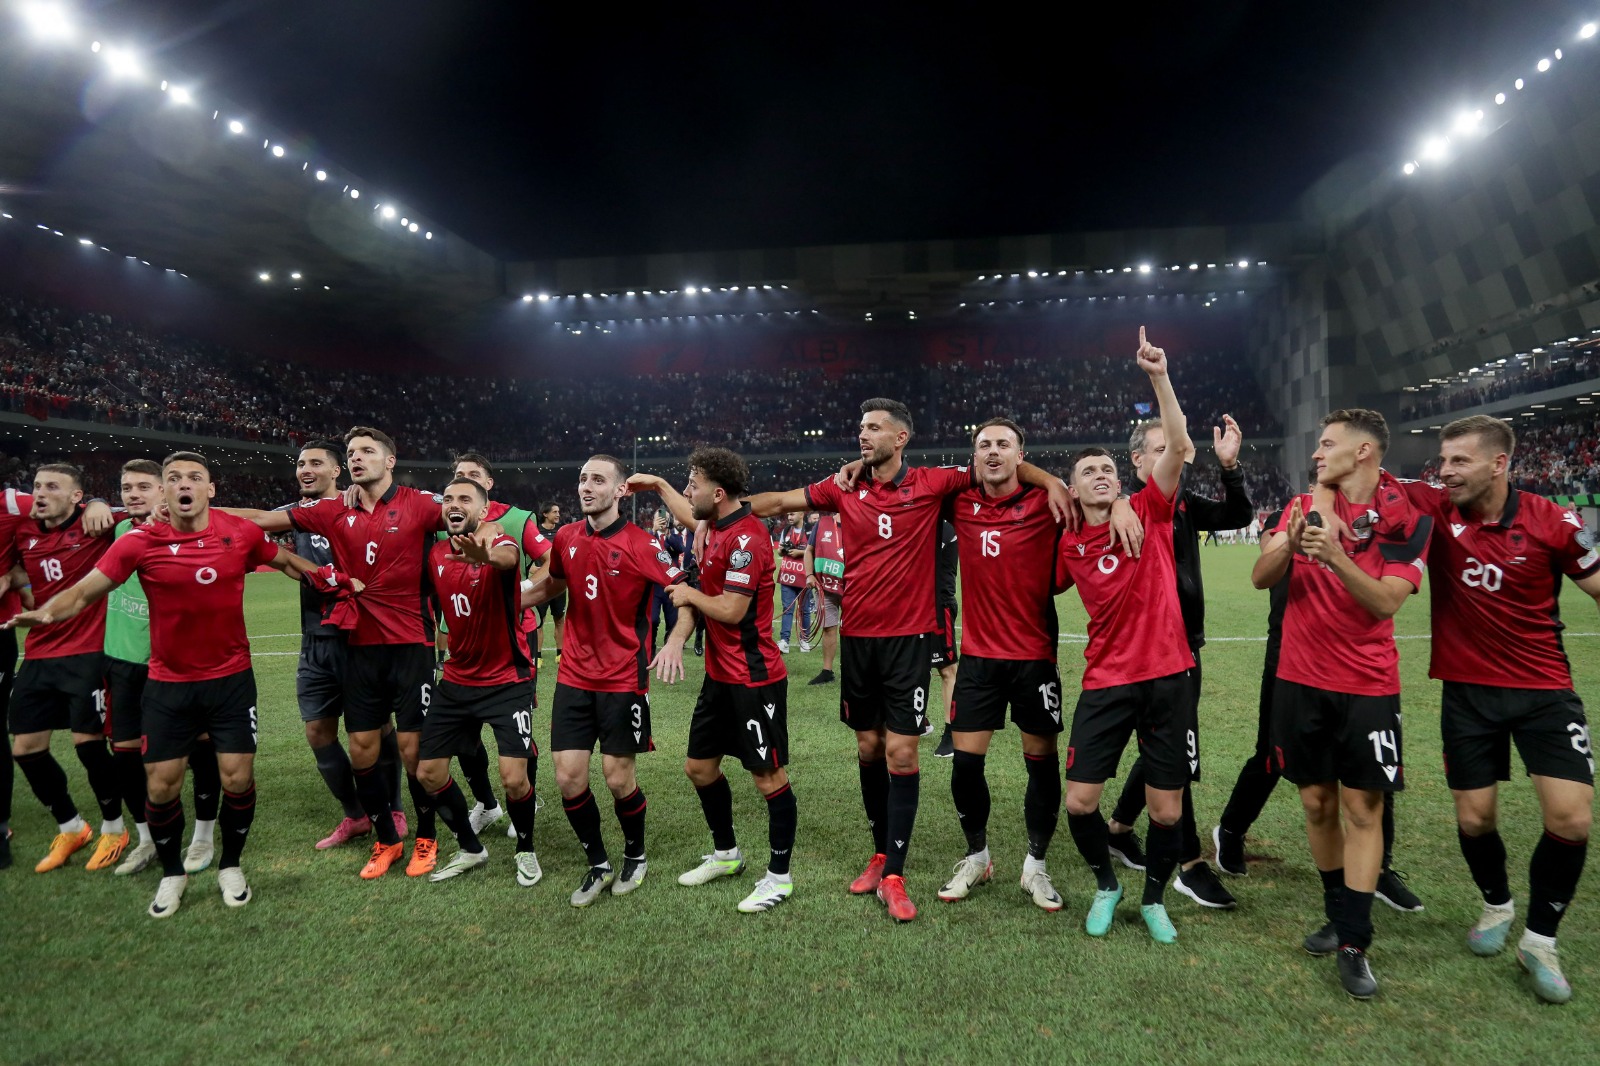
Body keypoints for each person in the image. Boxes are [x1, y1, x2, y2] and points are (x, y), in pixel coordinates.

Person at [749, 397, 1072, 922]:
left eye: (873, 428)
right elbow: (782, 502)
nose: (862, 435)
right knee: (869, 747)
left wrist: (1054, 482)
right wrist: (728, 515)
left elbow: (1003, 465)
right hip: (857, 637)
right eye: (861, 427)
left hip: (911, 640)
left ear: (900, 438)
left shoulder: (934, 483)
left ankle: (896, 872)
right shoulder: (842, 486)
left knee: (902, 751)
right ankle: (881, 853)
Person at [6, 451, 336, 917]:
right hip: (167, 684)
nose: (185, 484)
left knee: (237, 777)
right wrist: (45, 612)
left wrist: (332, 580)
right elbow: (85, 590)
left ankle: (230, 864)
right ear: (165, 490)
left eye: (194, 477)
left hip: (232, 681)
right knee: (161, 786)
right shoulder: (138, 542)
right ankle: (171, 874)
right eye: (174, 477)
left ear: (209, 489)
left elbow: (284, 559)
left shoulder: (237, 532)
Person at [1400, 415, 1599, 1004]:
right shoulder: (1435, 509)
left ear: (1499, 463)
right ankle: (1496, 905)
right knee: (1474, 819)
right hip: (1466, 692)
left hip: (1544, 689)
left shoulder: (1556, 521)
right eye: (1443, 459)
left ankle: (1540, 939)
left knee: (1571, 818)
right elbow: (1365, 473)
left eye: (1459, 460)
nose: (1446, 470)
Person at [1252, 408, 1431, 1000]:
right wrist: (1296, 539)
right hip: (1299, 678)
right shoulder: (1302, 506)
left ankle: (1355, 942)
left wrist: (1332, 554)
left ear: (1363, 453)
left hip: (1368, 685)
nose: (1316, 454)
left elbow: (1384, 603)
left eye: (1327, 445)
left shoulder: (1408, 518)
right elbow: (1261, 575)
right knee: (1316, 801)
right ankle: (1337, 913)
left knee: (1363, 809)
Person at [229, 427, 444, 880]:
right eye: (352, 452)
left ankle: (425, 835)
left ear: (390, 460)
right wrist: (194, 511)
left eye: (367, 451)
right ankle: (385, 838)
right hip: (355, 646)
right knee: (360, 745)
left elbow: (470, 512)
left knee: (412, 750)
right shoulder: (330, 510)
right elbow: (258, 520)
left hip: (410, 645)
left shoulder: (419, 503)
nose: (357, 457)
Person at [1056, 327, 1194, 945]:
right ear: (1072, 488)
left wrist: (1158, 377)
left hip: (1168, 676)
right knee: (1081, 802)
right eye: (1089, 472)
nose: (1102, 475)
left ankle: (1154, 898)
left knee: (1167, 811)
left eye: (1109, 468)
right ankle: (1106, 885)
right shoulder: (1065, 544)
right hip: (1106, 681)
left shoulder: (1149, 511)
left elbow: (1181, 444)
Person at [631, 448, 799, 912]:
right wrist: (661, 487)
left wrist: (686, 592)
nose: (688, 492)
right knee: (699, 768)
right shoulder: (715, 525)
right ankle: (727, 855)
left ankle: (779, 878)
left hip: (754, 679)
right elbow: (691, 517)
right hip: (720, 677)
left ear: (719, 494)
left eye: (694, 484)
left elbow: (730, 609)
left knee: (768, 777)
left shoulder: (747, 539)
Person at [523, 455, 694, 907]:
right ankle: (597, 862)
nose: (586, 487)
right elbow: (553, 584)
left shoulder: (642, 544)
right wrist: (513, 601)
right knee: (568, 777)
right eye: (582, 478)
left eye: (598, 480)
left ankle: (634, 855)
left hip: (623, 679)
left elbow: (684, 594)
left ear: (621, 490)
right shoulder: (566, 537)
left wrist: (675, 640)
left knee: (618, 779)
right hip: (575, 676)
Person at [1101, 413, 1252, 912]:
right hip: (1141, 653)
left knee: (1161, 748)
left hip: (1185, 646)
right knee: (1175, 757)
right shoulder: (1119, 506)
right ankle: (1188, 866)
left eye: (1179, 447)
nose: (1178, 453)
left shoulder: (1183, 502)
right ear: (1138, 459)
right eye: (1163, 446)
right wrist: (1120, 499)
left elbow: (1238, 516)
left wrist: (1230, 468)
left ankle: (1120, 829)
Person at [935, 418, 1069, 912]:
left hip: (1034, 657)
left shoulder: (1047, 503)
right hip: (980, 660)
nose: (993, 453)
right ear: (974, 455)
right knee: (966, 765)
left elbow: (1089, 501)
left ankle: (1035, 864)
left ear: (1020, 453)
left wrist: (1053, 481)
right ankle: (978, 856)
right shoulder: (959, 503)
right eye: (984, 445)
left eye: (1003, 445)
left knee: (1042, 763)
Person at [414, 478, 542, 886]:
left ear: (483, 511)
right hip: (456, 680)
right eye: (448, 498)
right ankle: (471, 848)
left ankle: (525, 848)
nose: (454, 504)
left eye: (464, 499)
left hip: (507, 680)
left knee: (514, 779)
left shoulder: (501, 544)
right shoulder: (435, 553)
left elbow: (507, 559)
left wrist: (484, 557)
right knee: (428, 773)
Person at [103, 459, 224, 877]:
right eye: (125, 488)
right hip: (123, 663)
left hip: (179, 668)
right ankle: (146, 840)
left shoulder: (194, 536)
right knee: (127, 757)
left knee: (201, 753)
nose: (133, 495)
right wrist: (93, 504)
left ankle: (204, 836)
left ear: (164, 493)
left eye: (143, 487)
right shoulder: (118, 532)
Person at [6, 464, 125, 874]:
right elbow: (16, 575)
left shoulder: (98, 524)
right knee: (25, 748)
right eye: (37, 486)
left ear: (75, 496)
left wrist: (99, 503)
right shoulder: (23, 531)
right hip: (39, 653)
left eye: (52, 487)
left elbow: (145, 511)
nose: (40, 493)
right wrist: (21, 589)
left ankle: (114, 827)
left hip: (89, 651)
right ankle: (72, 826)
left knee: (87, 743)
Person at [276, 442, 389, 851]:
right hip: (316, 637)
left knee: (379, 726)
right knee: (317, 730)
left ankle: (392, 808)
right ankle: (355, 815)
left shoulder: (360, 505)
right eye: (301, 463)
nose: (306, 469)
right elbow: (253, 526)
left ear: (337, 470)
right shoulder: (295, 513)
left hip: (362, 637)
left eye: (315, 463)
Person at [447, 453, 552, 838]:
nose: (464, 481)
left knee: (516, 723)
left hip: (513, 632)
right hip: (464, 635)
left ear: (488, 485)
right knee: (463, 728)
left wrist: (523, 589)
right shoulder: (447, 519)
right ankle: (486, 803)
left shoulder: (518, 518)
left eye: (473, 476)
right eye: (458, 476)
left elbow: (550, 559)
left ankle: (530, 794)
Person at [803, 511, 844, 686]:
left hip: (854, 588)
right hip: (825, 586)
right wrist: (809, 574)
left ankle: (856, 669)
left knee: (855, 631)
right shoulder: (822, 523)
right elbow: (809, 551)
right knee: (828, 629)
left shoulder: (860, 519)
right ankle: (827, 671)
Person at [929, 517, 959, 756]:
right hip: (912, 606)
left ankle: (952, 731)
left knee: (947, 669)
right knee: (910, 666)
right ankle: (919, 720)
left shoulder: (944, 528)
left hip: (939, 606)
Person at [773, 511, 812, 654]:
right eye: (788, 515)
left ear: (801, 514)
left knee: (805, 610)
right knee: (787, 609)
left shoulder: (810, 530)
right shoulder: (786, 530)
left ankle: (804, 640)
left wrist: (799, 553)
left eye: (792, 514)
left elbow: (815, 550)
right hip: (788, 575)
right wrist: (782, 550)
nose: (789, 517)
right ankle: (784, 641)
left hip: (804, 575)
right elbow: (779, 551)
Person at [533, 503, 567, 660]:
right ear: (545, 514)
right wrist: (536, 571)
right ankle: (537, 656)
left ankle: (560, 655)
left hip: (559, 584)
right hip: (541, 585)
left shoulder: (562, 533)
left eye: (558, 511)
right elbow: (529, 560)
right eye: (555, 512)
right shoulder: (535, 533)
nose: (558, 514)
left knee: (559, 619)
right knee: (539, 621)